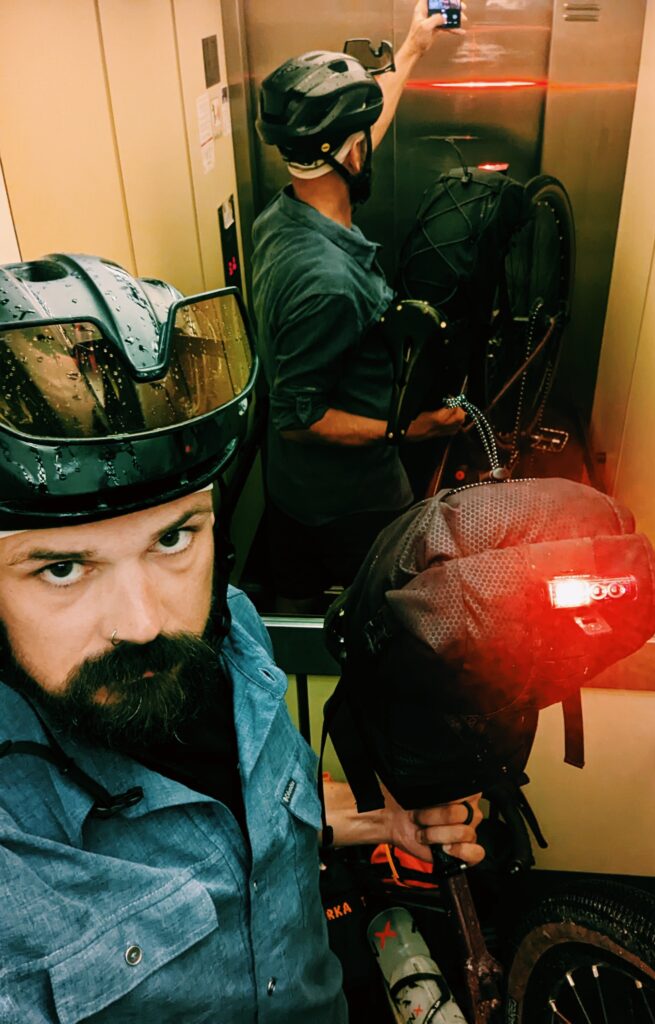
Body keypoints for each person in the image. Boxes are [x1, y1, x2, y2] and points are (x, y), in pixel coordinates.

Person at [0, 255, 483, 1023]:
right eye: (61, 567)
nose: (144, 622)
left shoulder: (236, 637)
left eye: (172, 539)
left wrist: (380, 819)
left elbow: (255, 823)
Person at [251, 1, 467, 610]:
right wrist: (411, 428)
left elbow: (361, 132)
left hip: (296, 493)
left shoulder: (285, 213)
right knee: (383, 614)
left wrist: (413, 47)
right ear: (349, 156)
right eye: (361, 143)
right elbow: (301, 419)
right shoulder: (327, 281)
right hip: (349, 502)